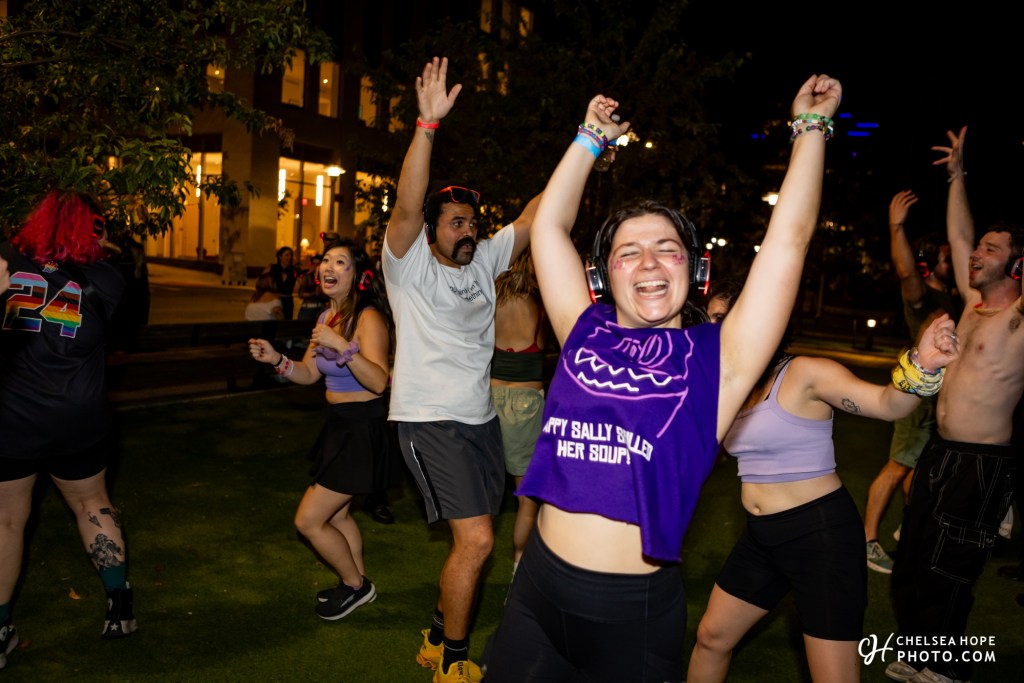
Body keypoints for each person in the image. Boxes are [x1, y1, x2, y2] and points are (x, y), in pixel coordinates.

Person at [485, 74, 842, 683]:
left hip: (632, 617)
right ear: (604, 276)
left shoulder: (720, 361)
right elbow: (548, 229)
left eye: (667, 248)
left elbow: (789, 241)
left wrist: (810, 128)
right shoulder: (582, 330)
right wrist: (590, 138)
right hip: (537, 591)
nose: (648, 262)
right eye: (628, 252)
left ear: (694, 268)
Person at [381, 57, 540, 683]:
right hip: (430, 421)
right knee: (477, 542)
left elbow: (535, 215)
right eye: (456, 223)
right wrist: (427, 126)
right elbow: (407, 205)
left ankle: (436, 628)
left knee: (475, 542)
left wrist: (589, 141)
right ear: (431, 233)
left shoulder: (485, 262)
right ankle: (448, 659)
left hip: (482, 420)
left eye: (473, 221)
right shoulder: (408, 264)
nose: (469, 230)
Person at [686, 317, 958, 683]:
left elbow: (887, 405)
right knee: (711, 638)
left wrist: (922, 365)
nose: (716, 327)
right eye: (711, 319)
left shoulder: (806, 373)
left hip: (820, 540)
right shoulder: (728, 385)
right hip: (761, 537)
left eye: (726, 317)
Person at [887, 127, 1023, 683]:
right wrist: (957, 174)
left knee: (950, 566)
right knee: (914, 557)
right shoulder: (972, 304)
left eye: (992, 250)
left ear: (1017, 267)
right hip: (940, 450)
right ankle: (918, 652)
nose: (976, 254)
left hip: (981, 464)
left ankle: (949, 668)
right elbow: (959, 232)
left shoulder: (1018, 319)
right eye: (980, 248)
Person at [0, 191, 134, 671]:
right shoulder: (109, 277)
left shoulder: (7, 262)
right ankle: (119, 607)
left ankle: (0, 628)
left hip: (13, 415)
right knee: (91, 502)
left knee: (6, 520)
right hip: (78, 414)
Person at [247, 236, 392, 620]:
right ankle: (358, 583)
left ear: (359, 275)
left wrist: (342, 346)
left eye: (340, 262)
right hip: (338, 427)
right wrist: (276, 359)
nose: (329, 267)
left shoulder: (368, 318)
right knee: (338, 516)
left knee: (308, 521)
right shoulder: (326, 318)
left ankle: (355, 586)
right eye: (326, 260)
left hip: (361, 428)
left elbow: (379, 381)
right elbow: (310, 373)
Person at [864, 191, 959, 574]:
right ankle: (867, 541)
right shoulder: (923, 296)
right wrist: (896, 226)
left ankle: (911, 529)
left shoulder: (952, 296)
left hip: (937, 398)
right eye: (947, 257)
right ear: (931, 262)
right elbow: (905, 273)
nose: (954, 262)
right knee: (897, 467)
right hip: (916, 395)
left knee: (920, 469)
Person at [490, 251, 548, 571]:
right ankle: (518, 567)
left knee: (484, 492)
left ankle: (473, 553)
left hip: (488, 397)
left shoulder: (490, 297)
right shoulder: (540, 303)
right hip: (525, 403)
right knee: (527, 496)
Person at [266, 246, 300, 319]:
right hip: (274, 300)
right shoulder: (272, 268)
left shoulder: (294, 270)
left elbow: (301, 282)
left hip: (288, 301)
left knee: (287, 321)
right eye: (287, 255)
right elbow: (262, 282)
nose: (289, 257)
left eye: (291, 255)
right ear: (280, 256)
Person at [296, 253, 328, 321]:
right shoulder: (307, 276)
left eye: (318, 264)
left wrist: (322, 292)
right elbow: (301, 294)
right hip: (307, 309)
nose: (315, 266)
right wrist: (314, 293)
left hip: (321, 309)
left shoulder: (326, 278)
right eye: (313, 264)